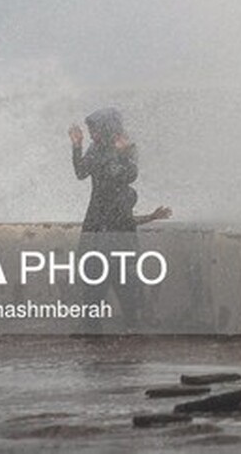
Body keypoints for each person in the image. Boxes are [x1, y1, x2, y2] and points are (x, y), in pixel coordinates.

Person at [68, 107, 171, 331]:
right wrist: (77, 145)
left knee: (122, 281)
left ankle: (129, 326)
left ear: (106, 128)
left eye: (93, 129)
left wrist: (123, 153)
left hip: (112, 227)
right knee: (96, 279)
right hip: (97, 224)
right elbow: (81, 172)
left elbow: (129, 174)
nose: (91, 134)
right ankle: (93, 327)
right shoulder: (96, 149)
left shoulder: (124, 148)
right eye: (89, 130)